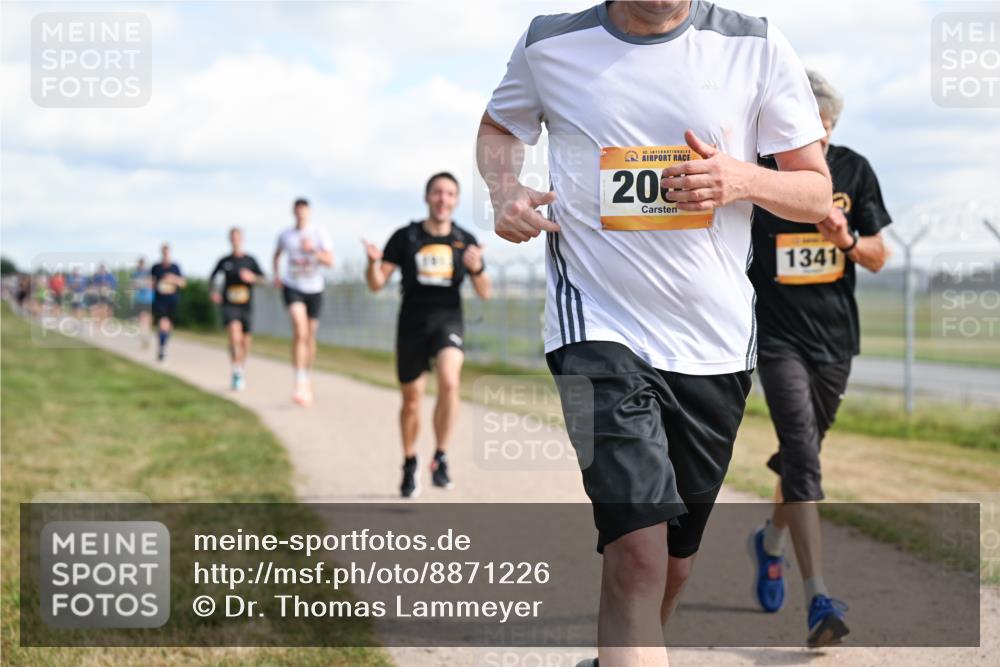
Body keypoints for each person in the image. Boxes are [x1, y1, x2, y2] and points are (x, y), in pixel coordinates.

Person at [477, 2, 832, 664]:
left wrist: (739, 179)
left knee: (673, 563)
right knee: (637, 551)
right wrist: (504, 190)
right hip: (595, 324)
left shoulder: (755, 44)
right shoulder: (551, 43)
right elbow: (500, 126)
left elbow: (814, 192)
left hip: (713, 342)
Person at [746, 70, 891, 648]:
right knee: (803, 458)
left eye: (823, 129)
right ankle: (819, 599)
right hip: (777, 337)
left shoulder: (853, 171)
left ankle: (769, 543)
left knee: (801, 457)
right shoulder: (760, 173)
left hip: (835, 341)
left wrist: (845, 239)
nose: (815, 137)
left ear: (831, 127)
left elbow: (879, 256)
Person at [363, 172, 491, 498]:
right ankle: (409, 461)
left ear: (456, 200)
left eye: (449, 193)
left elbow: (485, 291)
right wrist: (372, 264)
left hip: (448, 321)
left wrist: (476, 268)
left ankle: (440, 456)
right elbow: (376, 284)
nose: (443, 199)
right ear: (427, 197)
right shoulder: (405, 237)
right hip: (411, 325)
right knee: (411, 402)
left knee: (450, 382)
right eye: (437, 192)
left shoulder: (464, 239)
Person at [273, 198, 334, 406]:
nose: (300, 214)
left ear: (309, 212)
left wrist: (312, 250)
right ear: (293, 212)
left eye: (304, 210)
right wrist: (277, 276)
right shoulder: (285, 235)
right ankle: (299, 380)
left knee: (310, 336)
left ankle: (306, 376)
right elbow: (276, 255)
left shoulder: (319, 233)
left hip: (314, 288)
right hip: (292, 286)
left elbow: (330, 261)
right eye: (297, 210)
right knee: (300, 331)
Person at [210, 227, 265, 390]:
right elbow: (212, 277)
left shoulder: (250, 260)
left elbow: (263, 279)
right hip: (229, 304)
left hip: (246, 305)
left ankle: (240, 367)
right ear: (230, 239)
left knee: (245, 341)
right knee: (234, 335)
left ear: (242, 239)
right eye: (232, 237)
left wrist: (252, 277)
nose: (235, 240)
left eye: (237, 237)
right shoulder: (224, 261)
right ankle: (236, 370)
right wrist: (214, 292)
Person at [151, 244, 186, 362]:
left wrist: (173, 278)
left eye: (167, 252)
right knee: (163, 323)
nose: (165, 255)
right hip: (160, 301)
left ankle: (163, 344)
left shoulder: (175, 267)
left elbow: (183, 283)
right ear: (161, 253)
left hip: (172, 301)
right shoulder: (156, 267)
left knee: (168, 326)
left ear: (169, 253)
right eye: (164, 252)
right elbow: (151, 282)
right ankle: (161, 348)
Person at [131, 258, 154, 348]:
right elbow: (133, 285)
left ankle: (146, 333)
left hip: (149, 298)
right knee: (142, 317)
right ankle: (144, 334)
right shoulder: (135, 274)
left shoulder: (149, 272)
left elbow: (151, 284)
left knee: (147, 318)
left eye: (142, 264)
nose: (141, 265)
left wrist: (143, 284)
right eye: (140, 264)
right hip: (140, 299)